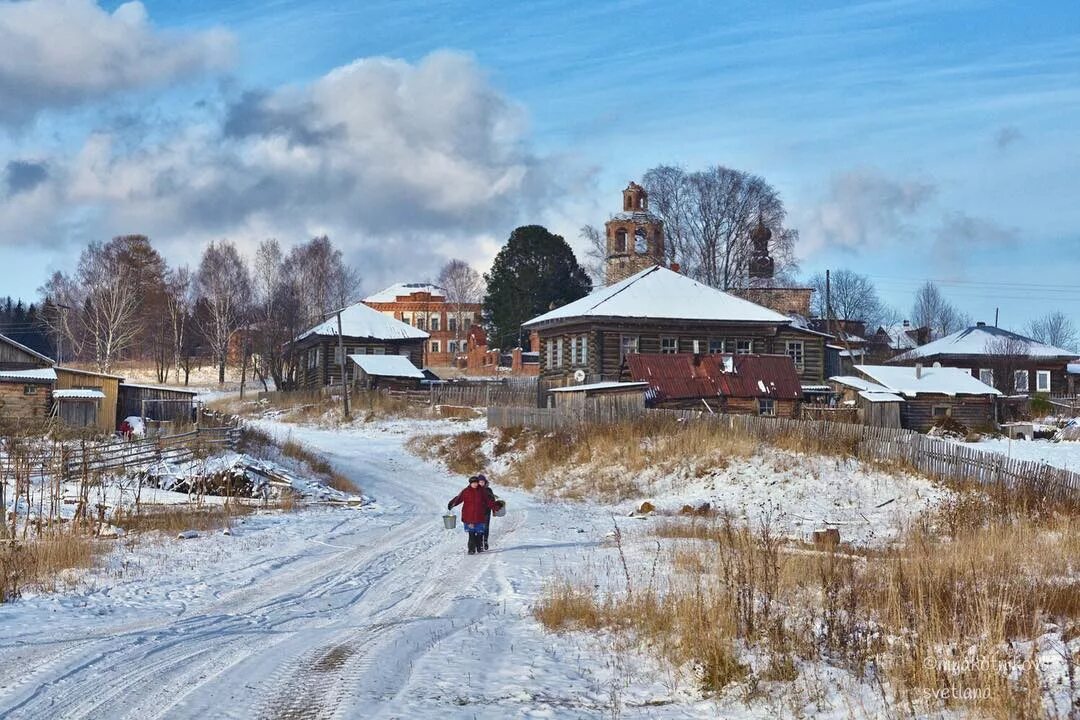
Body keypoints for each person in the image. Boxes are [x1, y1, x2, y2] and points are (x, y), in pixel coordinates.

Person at [447, 476, 498, 555]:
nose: (475, 484)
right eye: (473, 483)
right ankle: (471, 549)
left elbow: (489, 501)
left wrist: (495, 507)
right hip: (468, 517)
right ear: (470, 483)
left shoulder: (482, 491)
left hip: (480, 516)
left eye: (476, 483)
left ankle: (479, 547)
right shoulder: (466, 491)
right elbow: (458, 499)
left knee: (479, 533)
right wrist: (452, 503)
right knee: (471, 534)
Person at [477, 475, 498, 551]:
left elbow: (492, 500)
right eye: (480, 482)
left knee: (486, 527)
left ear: (485, 482)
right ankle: (480, 543)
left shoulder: (488, 490)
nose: (481, 483)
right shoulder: (475, 490)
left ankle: (485, 541)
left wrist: (494, 511)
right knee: (479, 528)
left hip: (487, 511)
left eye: (482, 482)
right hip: (477, 512)